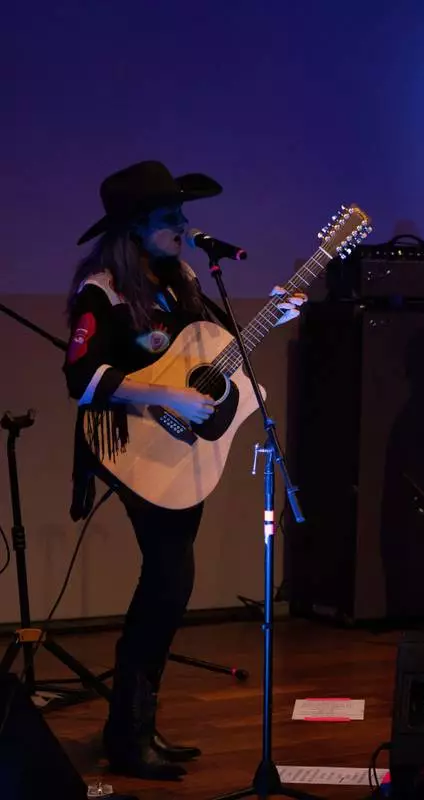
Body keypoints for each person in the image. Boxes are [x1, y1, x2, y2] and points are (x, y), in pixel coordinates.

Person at [63, 161, 306, 779]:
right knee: (170, 581)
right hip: (129, 445)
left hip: (179, 450)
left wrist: (272, 316)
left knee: (168, 585)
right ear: (135, 228)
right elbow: (81, 379)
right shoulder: (101, 290)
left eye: (182, 215)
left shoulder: (183, 277)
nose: (184, 226)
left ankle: (136, 726)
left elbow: (216, 348)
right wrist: (164, 397)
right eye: (171, 218)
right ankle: (128, 734)